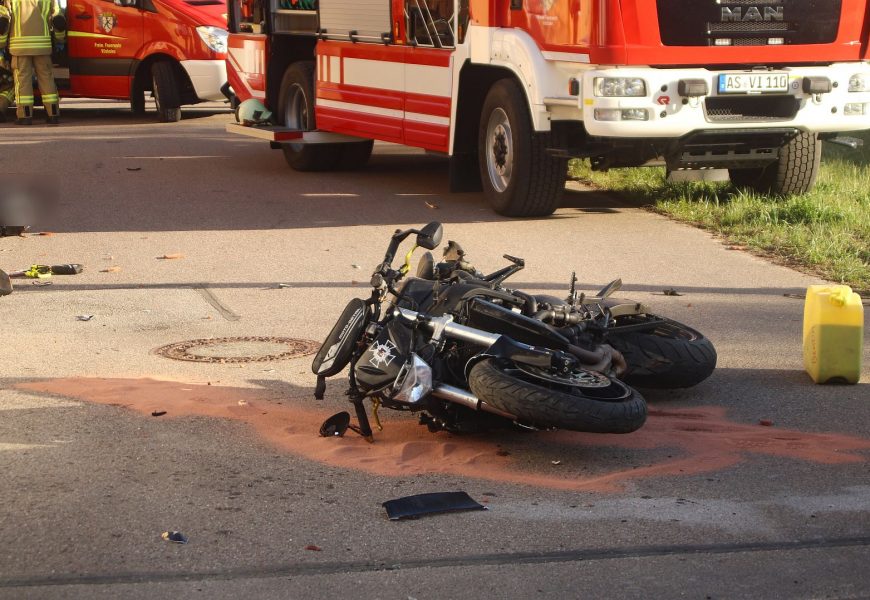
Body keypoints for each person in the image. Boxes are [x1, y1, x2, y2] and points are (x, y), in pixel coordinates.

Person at [5, 0, 65, 125]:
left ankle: (25, 116)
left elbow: (5, 20)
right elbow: (58, 18)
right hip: (43, 45)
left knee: (23, 81)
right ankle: (53, 114)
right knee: (46, 78)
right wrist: (60, 40)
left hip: (19, 46)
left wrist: (1, 44)